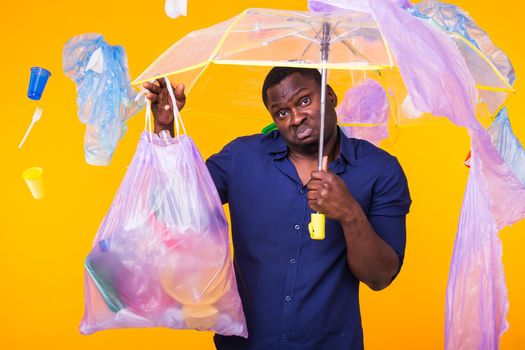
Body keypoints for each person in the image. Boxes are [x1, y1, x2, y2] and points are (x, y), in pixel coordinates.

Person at [143, 67, 411, 350]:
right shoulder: (241, 157)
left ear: (330, 96)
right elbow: (172, 208)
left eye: (304, 101)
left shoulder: (379, 170)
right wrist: (164, 129)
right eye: (282, 112)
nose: (296, 118)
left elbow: (379, 277)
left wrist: (350, 214)